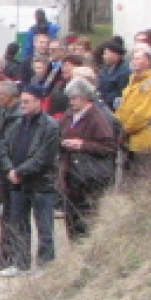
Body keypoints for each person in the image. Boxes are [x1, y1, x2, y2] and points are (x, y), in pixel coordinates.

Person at [0, 86, 59, 276]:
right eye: (22, 101)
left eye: (27, 101)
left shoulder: (50, 126)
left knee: (44, 226)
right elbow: (2, 147)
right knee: (18, 224)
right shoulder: (19, 123)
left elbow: (43, 157)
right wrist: (9, 169)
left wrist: (20, 171)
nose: (23, 105)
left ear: (38, 101)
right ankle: (21, 263)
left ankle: (46, 264)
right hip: (17, 183)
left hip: (41, 183)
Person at [57, 78, 119, 240]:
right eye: (70, 98)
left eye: (75, 98)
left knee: (89, 217)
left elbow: (109, 146)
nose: (72, 102)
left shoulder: (98, 117)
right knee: (72, 219)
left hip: (91, 175)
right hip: (71, 174)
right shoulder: (68, 115)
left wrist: (82, 145)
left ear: (86, 98)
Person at [115, 49, 151, 179]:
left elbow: (142, 115)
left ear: (148, 62)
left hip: (143, 140)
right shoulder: (133, 82)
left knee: (143, 178)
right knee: (128, 178)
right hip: (128, 139)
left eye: (138, 58)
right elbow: (123, 108)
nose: (134, 61)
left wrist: (124, 130)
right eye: (133, 58)